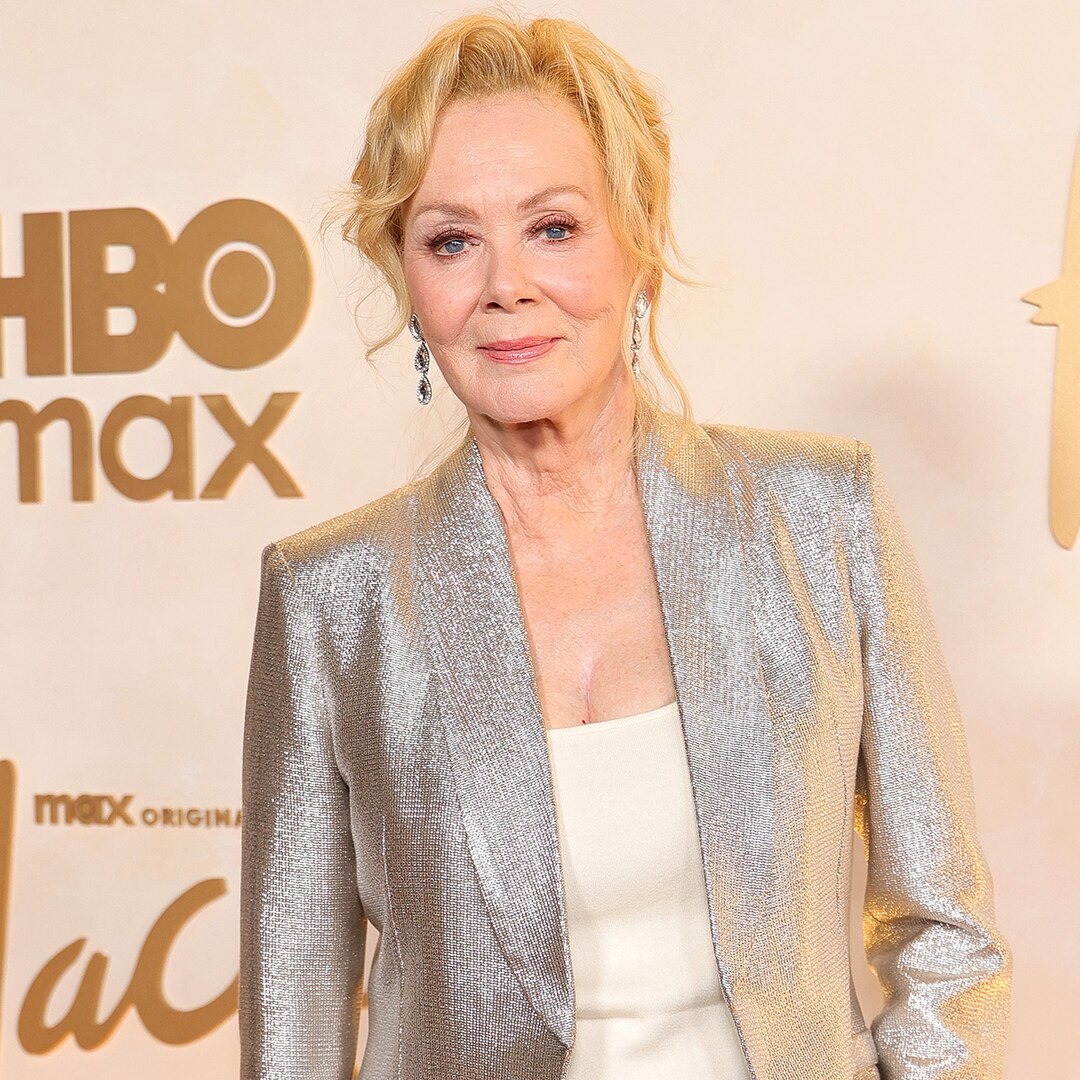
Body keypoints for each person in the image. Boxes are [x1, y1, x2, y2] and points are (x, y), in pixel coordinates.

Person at [238, 11, 1012, 1080]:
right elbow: (295, 1014)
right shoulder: (332, 598)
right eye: (451, 240)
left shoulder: (820, 518)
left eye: (553, 228)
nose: (505, 284)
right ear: (407, 279)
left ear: (639, 245)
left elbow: (945, 936)